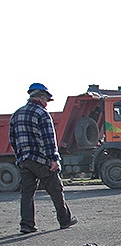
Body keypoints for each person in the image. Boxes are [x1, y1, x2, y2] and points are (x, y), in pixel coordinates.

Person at [8, 83, 77, 234]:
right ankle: (65, 220)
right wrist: (54, 159)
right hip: (41, 160)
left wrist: (20, 157)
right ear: (40, 97)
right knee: (56, 190)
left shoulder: (17, 114)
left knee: (27, 193)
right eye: (46, 99)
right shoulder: (42, 114)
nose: (46, 103)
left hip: (24, 161)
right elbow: (49, 139)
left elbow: (12, 139)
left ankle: (26, 225)